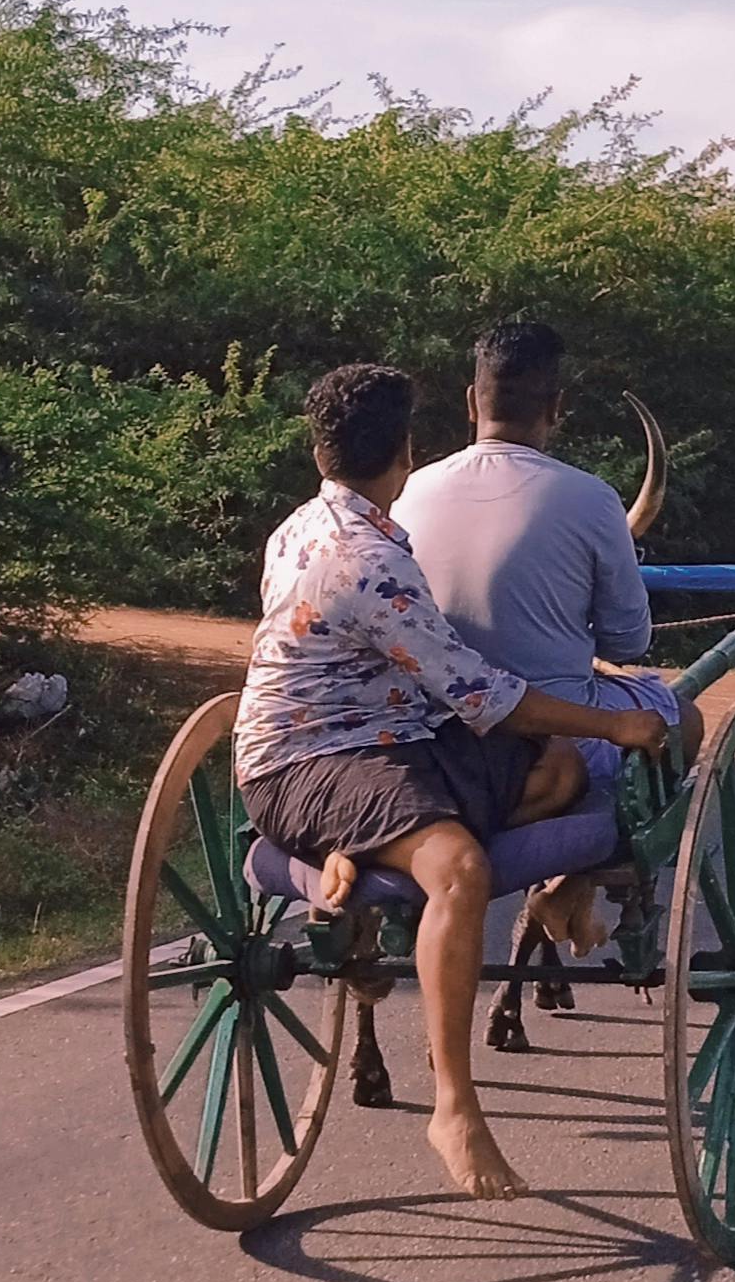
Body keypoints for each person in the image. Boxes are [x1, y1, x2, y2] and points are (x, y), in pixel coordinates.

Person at [236, 362, 669, 1204]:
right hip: (317, 763)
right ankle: (455, 1104)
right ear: (405, 449)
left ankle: (389, 869)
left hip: (387, 741)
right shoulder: (370, 561)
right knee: (461, 867)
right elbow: (482, 693)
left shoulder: (295, 529)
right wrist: (617, 720)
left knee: (557, 767)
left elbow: (445, 694)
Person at [394, 319, 682, 955]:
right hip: (546, 732)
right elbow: (629, 642)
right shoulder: (592, 499)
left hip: (426, 734)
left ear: (472, 402)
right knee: (678, 712)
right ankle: (579, 880)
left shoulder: (407, 491)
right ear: (557, 408)